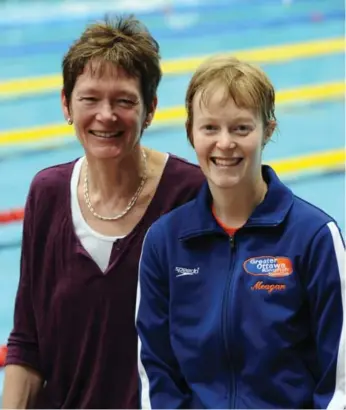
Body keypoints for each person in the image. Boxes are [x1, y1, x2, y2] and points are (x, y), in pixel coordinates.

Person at [2, 15, 205, 409]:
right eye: (89, 99)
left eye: (124, 100)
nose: (106, 115)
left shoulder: (190, 196)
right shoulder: (46, 194)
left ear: (150, 109)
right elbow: (27, 343)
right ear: (66, 104)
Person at [136, 55, 345, 409]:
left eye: (241, 128)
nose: (225, 143)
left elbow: (339, 379)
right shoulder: (164, 242)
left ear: (269, 130)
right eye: (210, 128)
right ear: (191, 133)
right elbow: (156, 372)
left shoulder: (313, 238)